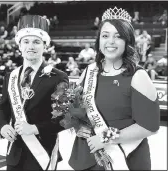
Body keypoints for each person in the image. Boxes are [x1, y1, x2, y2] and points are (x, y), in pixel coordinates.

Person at [69, 7, 160, 170]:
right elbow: (76, 109)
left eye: (118, 36)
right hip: (87, 156)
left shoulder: (138, 76)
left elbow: (150, 126)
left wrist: (105, 137)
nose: (110, 41)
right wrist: (77, 126)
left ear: (128, 41)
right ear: (99, 40)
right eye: (105, 35)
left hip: (125, 159)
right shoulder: (88, 72)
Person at [0, 15, 68, 170]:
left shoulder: (58, 77)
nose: (31, 46)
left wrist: (34, 128)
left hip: (42, 153)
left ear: (45, 46)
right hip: (14, 153)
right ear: (19, 46)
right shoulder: (11, 76)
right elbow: (3, 109)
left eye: (36, 42)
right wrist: (2, 126)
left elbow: (65, 118)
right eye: (26, 41)